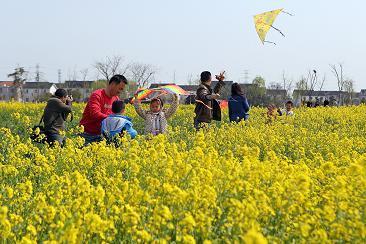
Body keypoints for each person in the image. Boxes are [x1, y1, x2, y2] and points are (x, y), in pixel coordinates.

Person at [79, 74, 127, 144]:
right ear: (113, 84)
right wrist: (111, 118)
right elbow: (95, 114)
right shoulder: (97, 95)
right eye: (120, 89)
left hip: (104, 135)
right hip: (88, 134)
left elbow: (117, 116)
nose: (120, 91)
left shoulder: (116, 99)